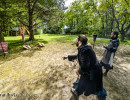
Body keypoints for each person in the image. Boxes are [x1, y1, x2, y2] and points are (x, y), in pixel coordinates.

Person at [63, 35, 106, 100]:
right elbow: (79, 56)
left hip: (92, 70)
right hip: (94, 69)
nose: (76, 41)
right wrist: (68, 57)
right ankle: (77, 92)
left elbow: (85, 65)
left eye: (76, 40)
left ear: (79, 42)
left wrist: (79, 71)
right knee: (88, 83)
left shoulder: (83, 49)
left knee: (95, 86)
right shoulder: (85, 47)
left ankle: (77, 92)